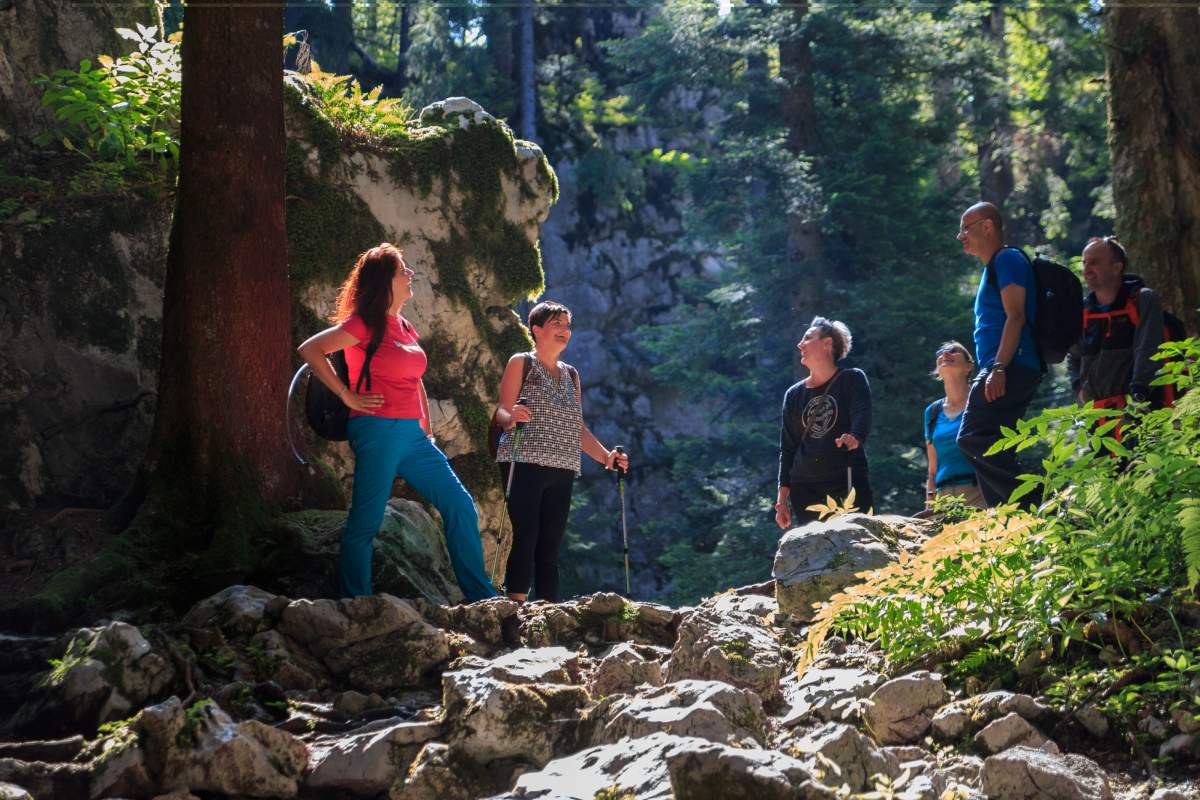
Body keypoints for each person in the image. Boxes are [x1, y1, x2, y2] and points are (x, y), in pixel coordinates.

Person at [297, 243, 498, 602]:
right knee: (366, 522)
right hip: (376, 429)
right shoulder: (362, 324)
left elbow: (415, 378)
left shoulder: (403, 326)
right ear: (384, 281)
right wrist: (347, 396)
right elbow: (311, 349)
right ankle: (357, 601)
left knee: (459, 504)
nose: (410, 275)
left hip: (412, 435)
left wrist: (427, 429)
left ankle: (480, 595)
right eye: (402, 270)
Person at [493, 301, 630, 603]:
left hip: (563, 467)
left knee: (550, 546)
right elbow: (502, 410)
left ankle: (548, 612)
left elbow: (577, 428)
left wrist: (607, 458)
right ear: (536, 329)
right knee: (526, 537)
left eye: (567, 326)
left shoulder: (572, 376)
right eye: (557, 324)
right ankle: (514, 607)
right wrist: (512, 416)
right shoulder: (522, 362)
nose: (565, 331)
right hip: (523, 460)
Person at [954, 202, 1043, 508]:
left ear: (987, 226)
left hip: (1009, 365)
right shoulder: (994, 266)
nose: (960, 236)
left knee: (972, 438)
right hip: (1007, 365)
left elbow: (1015, 315)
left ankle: (1036, 505)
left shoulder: (1007, 259)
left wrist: (999, 368)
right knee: (994, 447)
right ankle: (1008, 524)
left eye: (966, 228)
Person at [775, 317, 873, 530]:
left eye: (808, 338)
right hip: (805, 487)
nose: (800, 344)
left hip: (846, 477)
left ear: (827, 343)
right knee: (816, 554)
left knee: (856, 547)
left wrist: (855, 437)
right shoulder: (794, 395)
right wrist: (782, 500)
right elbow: (788, 448)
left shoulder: (852, 379)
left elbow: (862, 413)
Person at [1067, 236, 1166, 410]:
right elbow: (1074, 354)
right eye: (1085, 263)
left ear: (1117, 267)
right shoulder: (1083, 310)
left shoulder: (1142, 300)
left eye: (1094, 263)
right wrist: (1078, 388)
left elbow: (1149, 347)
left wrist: (1140, 391)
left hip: (1140, 409)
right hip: (1097, 415)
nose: (1087, 269)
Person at [923, 341, 985, 511]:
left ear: (969, 366)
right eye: (941, 353)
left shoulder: (982, 401)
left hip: (979, 492)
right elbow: (933, 468)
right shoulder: (932, 412)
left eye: (953, 350)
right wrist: (930, 504)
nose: (945, 354)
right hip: (943, 499)